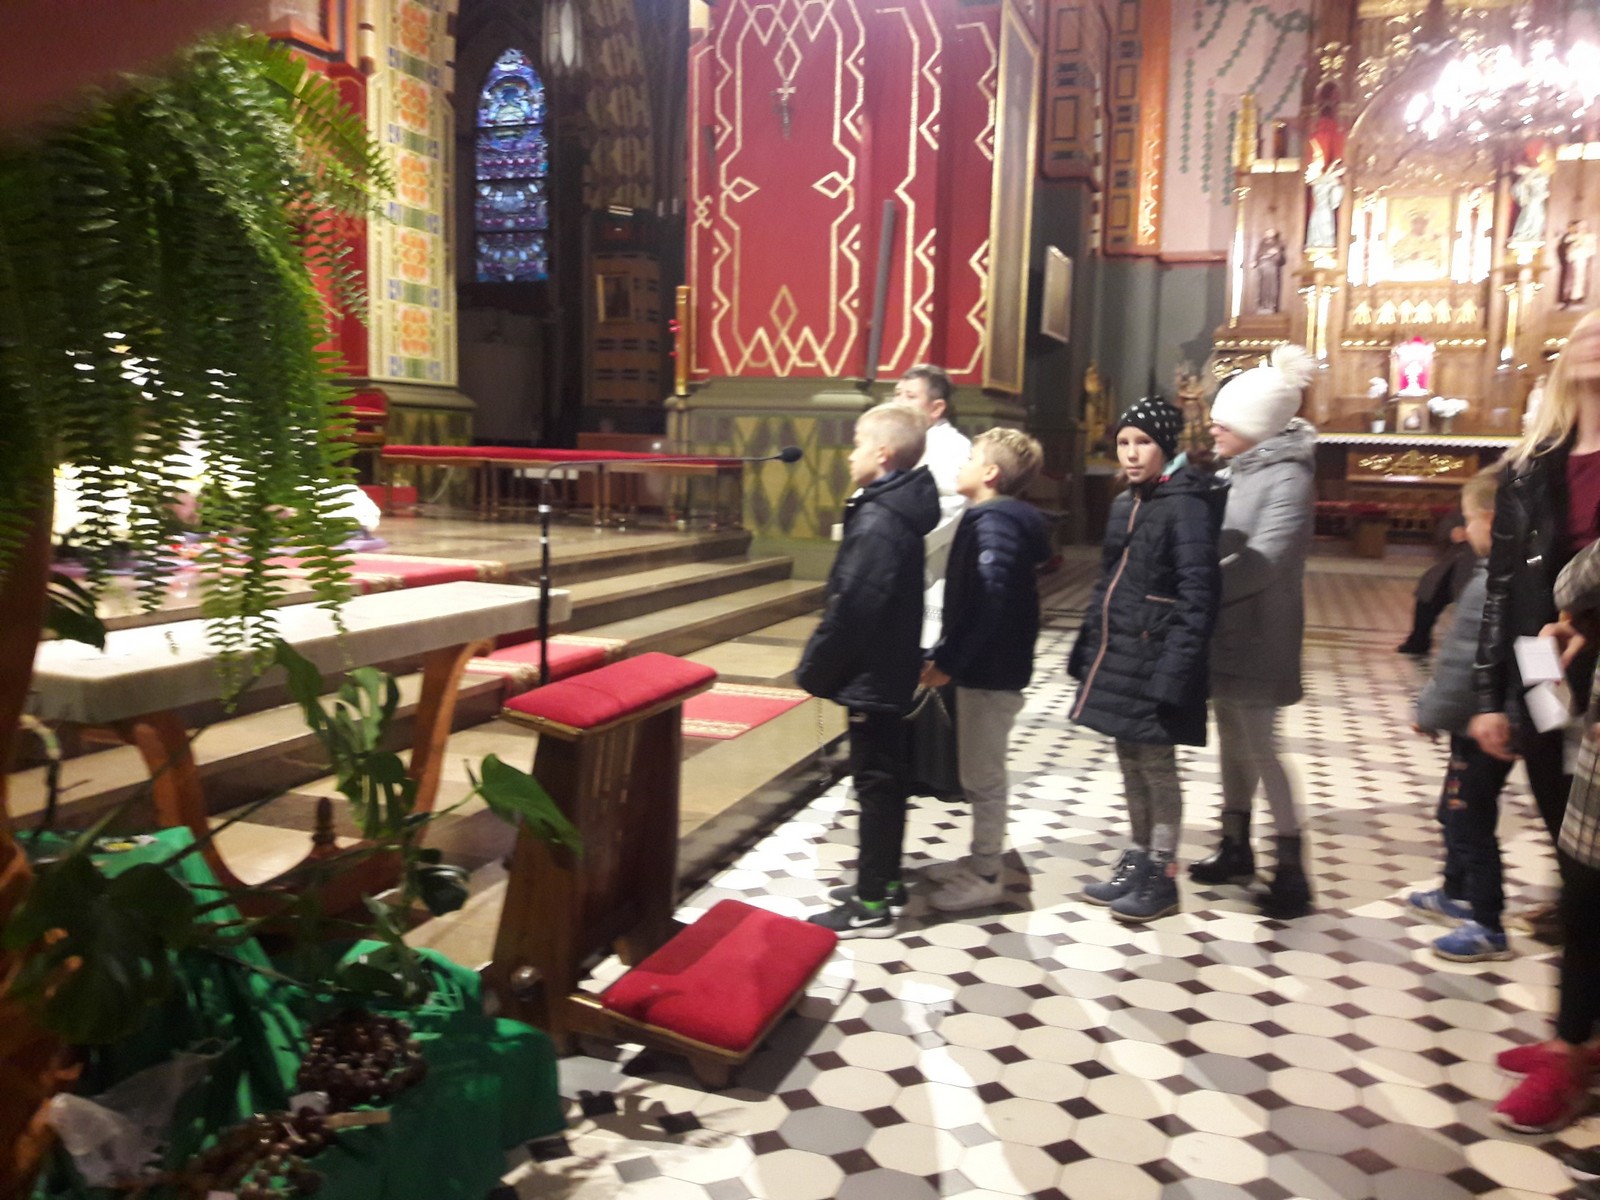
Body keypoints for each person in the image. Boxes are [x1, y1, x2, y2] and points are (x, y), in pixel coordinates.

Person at [1470, 310, 1600, 946]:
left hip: (1597, 649)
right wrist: (1488, 698)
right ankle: (1577, 900)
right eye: (1585, 334)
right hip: (1541, 653)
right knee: (1553, 780)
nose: (1594, 341)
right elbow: (1501, 587)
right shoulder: (1528, 465)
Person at [1068, 397, 1226, 922]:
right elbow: (1109, 581)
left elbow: (1199, 596)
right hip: (1121, 653)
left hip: (1158, 657)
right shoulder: (1124, 503)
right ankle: (1138, 858)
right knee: (1129, 760)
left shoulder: (1186, 505)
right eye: (1123, 443)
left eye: (1144, 443)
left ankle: (1162, 872)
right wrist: (1088, 646)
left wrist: (1176, 671)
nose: (1131, 454)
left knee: (1157, 767)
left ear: (1166, 446)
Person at [798, 403, 939, 937]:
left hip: (874, 673)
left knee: (876, 784)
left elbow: (855, 605)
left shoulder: (880, 520)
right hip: (887, 668)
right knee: (886, 780)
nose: (848, 454)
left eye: (857, 443)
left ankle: (872, 903)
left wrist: (816, 669)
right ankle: (885, 880)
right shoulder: (893, 508)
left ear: (882, 453)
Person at [1187, 344, 1318, 919]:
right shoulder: (1234, 472)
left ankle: (1292, 868)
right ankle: (1235, 845)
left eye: (1224, 420)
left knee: (1263, 747)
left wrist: (1200, 588)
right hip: (1224, 627)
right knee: (1232, 741)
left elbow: (1267, 558)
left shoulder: (1289, 477)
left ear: (1256, 425)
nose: (1213, 427)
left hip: (1263, 631)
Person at [918, 429, 1052, 912]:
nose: (962, 465)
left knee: (983, 775)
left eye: (971, 458)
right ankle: (979, 858)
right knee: (977, 770)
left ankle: (988, 873)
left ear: (991, 473)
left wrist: (951, 661)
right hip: (990, 665)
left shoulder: (994, 521)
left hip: (991, 670)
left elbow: (992, 593)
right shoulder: (995, 517)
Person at [1409, 466, 1514, 963]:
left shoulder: (1498, 579)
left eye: (1468, 520)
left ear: (1489, 520)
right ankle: (1454, 890)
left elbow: (1462, 660)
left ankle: (1487, 923)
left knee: (1469, 818)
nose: (1465, 530)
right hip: (1479, 719)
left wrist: (1429, 711)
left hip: (1484, 724)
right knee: (1452, 809)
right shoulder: (1504, 573)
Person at [894, 364, 973, 649]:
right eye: (897, 393)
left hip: (930, 565)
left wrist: (899, 543)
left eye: (910, 396)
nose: (898, 402)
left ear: (936, 408)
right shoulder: (903, 441)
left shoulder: (951, 447)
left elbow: (951, 504)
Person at [1395, 510, 1475, 656]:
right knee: (1429, 593)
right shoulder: (1468, 504)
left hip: (1478, 566)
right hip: (1456, 562)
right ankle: (1419, 640)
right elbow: (1446, 524)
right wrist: (1452, 531)